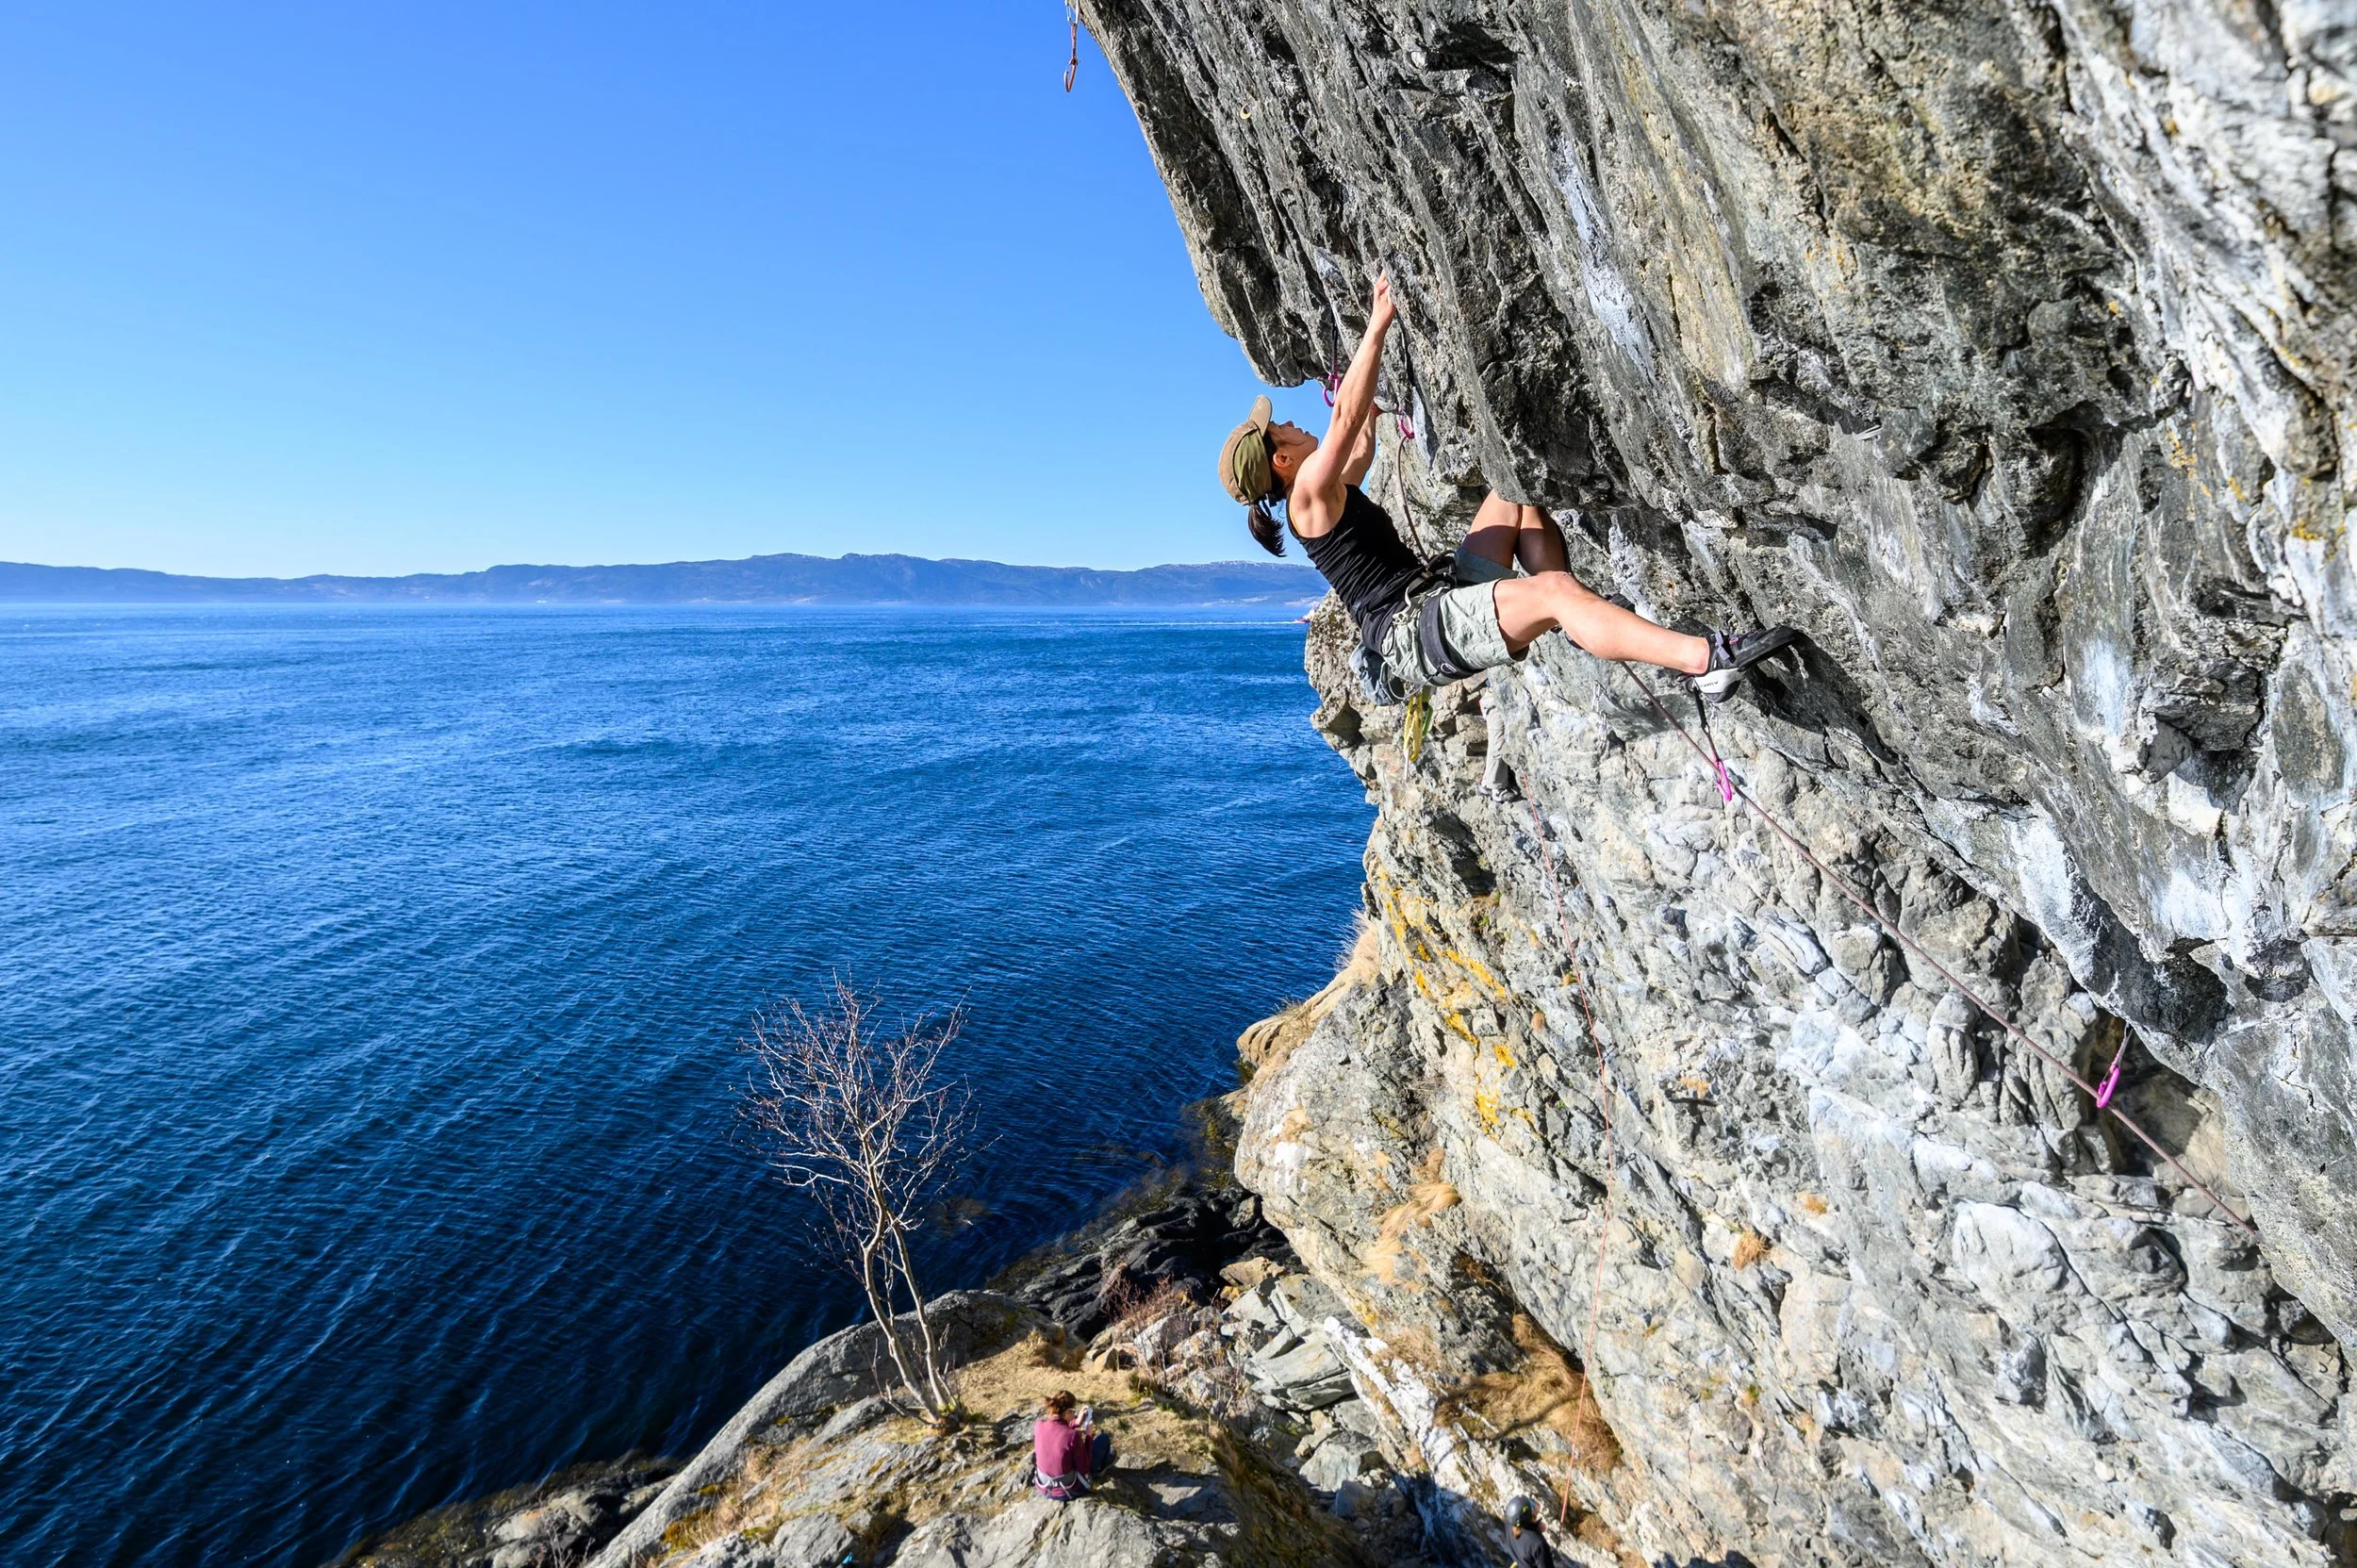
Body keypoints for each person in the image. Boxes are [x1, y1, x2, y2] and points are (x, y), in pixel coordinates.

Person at [1217, 274, 1796, 707]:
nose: (1291, 421)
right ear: (1283, 459)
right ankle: (1705, 660)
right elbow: (1343, 424)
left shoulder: (1323, 493)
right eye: (1281, 428)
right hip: (1416, 634)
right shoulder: (1306, 500)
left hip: (1436, 599)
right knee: (1552, 594)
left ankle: (1580, 609)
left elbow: (1359, 441)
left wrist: (1364, 398)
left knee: (1516, 490)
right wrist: (1379, 321)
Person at [1031, 1390, 1113, 1501]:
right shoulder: (1072, 1436)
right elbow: (1085, 1468)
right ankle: (1098, 1473)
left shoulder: (1038, 1426)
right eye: (1073, 1411)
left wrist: (1076, 1422)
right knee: (1103, 1439)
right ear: (1066, 1413)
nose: (1075, 1414)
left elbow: (1057, 1430)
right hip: (1067, 1491)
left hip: (1043, 1486)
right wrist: (1089, 1436)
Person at [1503, 1494, 1559, 1566]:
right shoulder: (1538, 1544)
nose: (1534, 1500)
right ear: (1531, 1514)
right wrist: (1545, 1555)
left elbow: (1524, 1537)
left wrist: (1536, 1526)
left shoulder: (1510, 1522)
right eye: (1531, 1503)